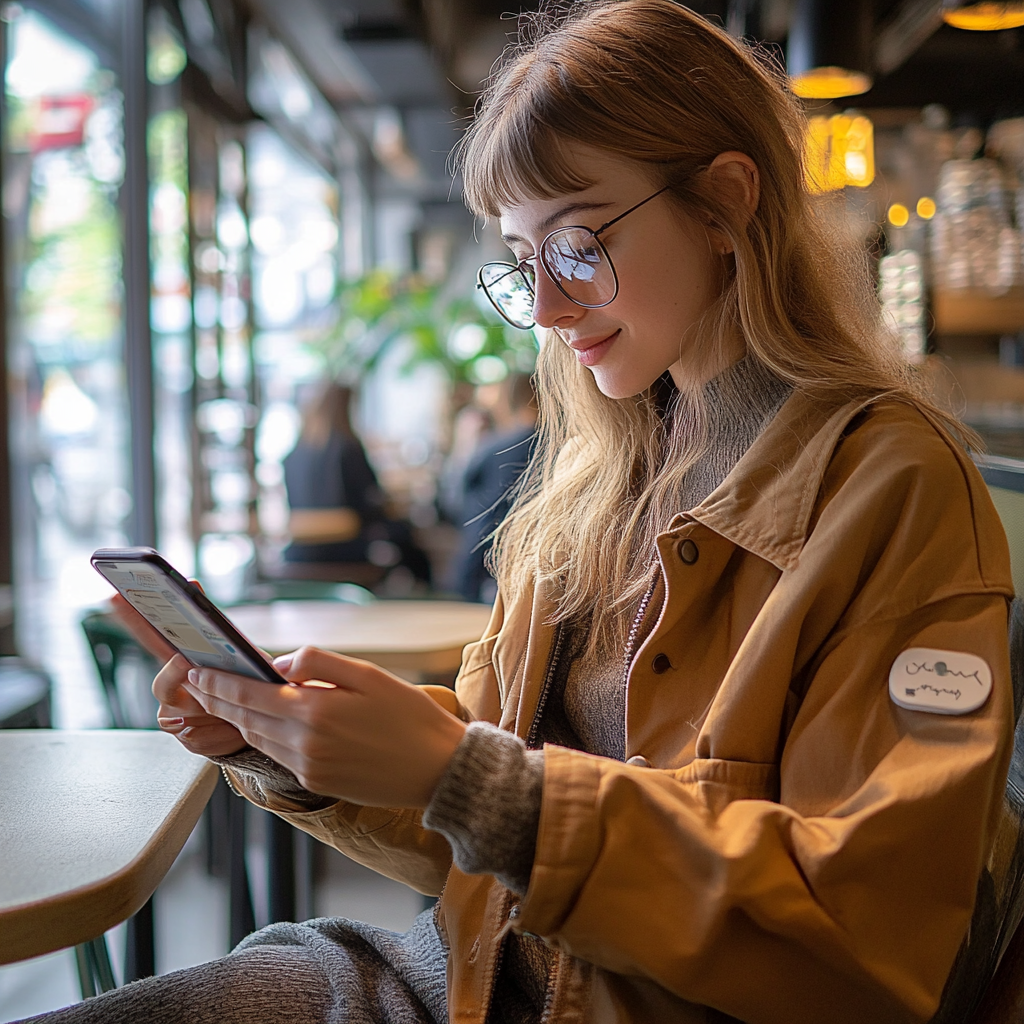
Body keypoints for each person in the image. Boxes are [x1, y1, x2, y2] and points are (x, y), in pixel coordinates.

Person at [23, 3, 1017, 1023]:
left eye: (578, 244)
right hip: (463, 971)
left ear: (724, 203)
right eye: (520, 256)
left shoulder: (891, 486)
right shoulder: (604, 470)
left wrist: (460, 775)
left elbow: (862, 938)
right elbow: (497, 799)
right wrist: (308, 747)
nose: (544, 305)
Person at [282, 381, 431, 587]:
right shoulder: (347, 448)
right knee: (408, 537)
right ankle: (428, 596)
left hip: (299, 552)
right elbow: (369, 500)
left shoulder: (294, 453)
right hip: (343, 550)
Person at [450, 373, 537, 603]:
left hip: (496, 570)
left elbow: (467, 509)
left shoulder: (501, 450)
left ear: (508, 402)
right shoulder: (568, 446)